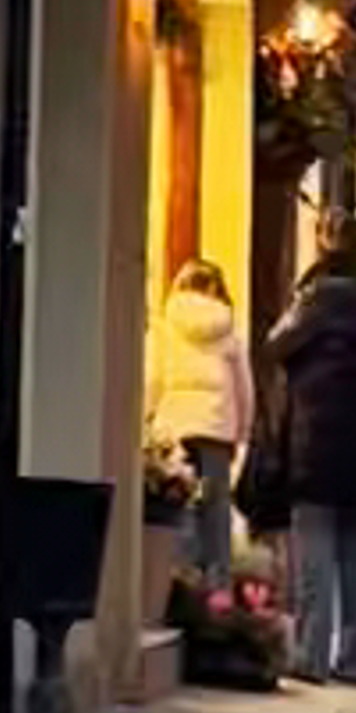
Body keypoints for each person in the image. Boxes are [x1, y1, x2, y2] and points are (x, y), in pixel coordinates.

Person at [268, 225, 356, 687]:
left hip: (316, 437)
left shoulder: (316, 297)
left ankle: (310, 653)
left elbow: (277, 343)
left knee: (315, 550)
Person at [149, 253, 252, 590]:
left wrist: (147, 421)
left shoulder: (166, 328)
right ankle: (216, 598)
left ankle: (177, 587)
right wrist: (242, 432)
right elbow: (244, 391)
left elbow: (152, 378)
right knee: (216, 517)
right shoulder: (230, 334)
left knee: (178, 511)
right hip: (217, 432)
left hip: (174, 431)